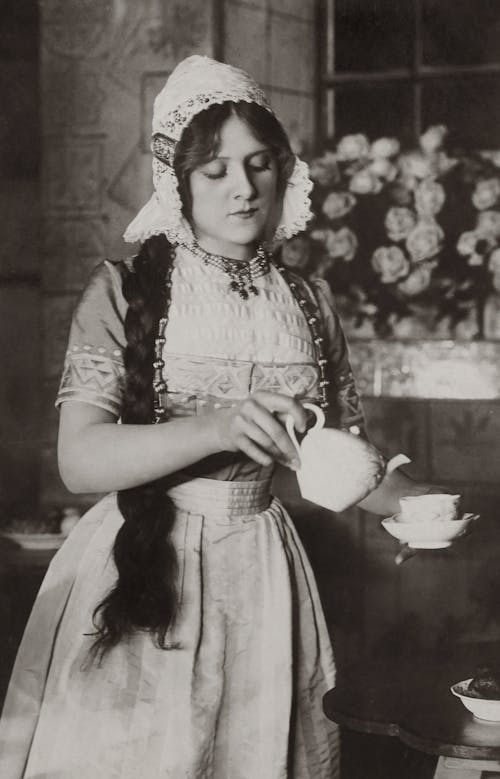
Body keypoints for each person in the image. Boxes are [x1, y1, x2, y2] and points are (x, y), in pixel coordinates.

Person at [0, 55, 442, 778]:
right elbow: (79, 460)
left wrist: (415, 503)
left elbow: (332, 452)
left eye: (260, 163)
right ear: (178, 179)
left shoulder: (308, 300)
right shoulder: (124, 290)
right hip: (142, 567)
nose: (243, 188)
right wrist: (216, 426)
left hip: (263, 573)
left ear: (284, 170)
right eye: (215, 170)